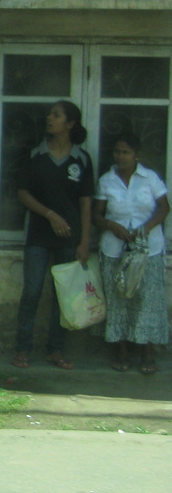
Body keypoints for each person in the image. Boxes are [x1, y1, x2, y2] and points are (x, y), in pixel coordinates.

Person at [13, 100, 95, 370]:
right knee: (32, 291)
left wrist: (84, 241)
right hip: (38, 235)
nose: (49, 118)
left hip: (69, 237)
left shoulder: (81, 159)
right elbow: (23, 193)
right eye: (49, 114)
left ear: (70, 124)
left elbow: (86, 202)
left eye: (56, 115)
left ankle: (56, 350)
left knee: (64, 296)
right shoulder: (35, 154)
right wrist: (50, 215)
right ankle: (22, 349)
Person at [93, 134, 169, 375]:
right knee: (118, 301)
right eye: (116, 151)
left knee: (147, 300)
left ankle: (147, 352)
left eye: (125, 152)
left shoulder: (150, 178)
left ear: (137, 154)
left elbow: (164, 207)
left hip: (148, 250)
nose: (120, 156)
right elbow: (96, 216)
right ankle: (121, 352)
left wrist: (144, 229)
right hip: (115, 250)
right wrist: (113, 226)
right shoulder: (107, 181)